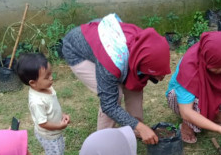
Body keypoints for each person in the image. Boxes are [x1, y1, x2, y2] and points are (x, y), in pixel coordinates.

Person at [61, 13, 171, 145]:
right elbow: (109, 105)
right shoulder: (111, 62)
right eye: (159, 73)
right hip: (77, 51)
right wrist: (140, 126)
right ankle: (102, 142)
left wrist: (137, 126)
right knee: (115, 95)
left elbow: (136, 82)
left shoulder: (142, 45)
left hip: (104, 43)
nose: (162, 77)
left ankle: (135, 129)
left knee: (135, 82)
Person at [166, 31, 221, 144]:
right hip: (186, 102)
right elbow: (186, 111)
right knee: (178, 95)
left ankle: (217, 115)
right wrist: (219, 129)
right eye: (215, 68)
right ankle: (187, 125)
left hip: (214, 91)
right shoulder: (189, 66)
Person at [16, 53, 70, 155]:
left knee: (60, 146)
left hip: (56, 131)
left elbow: (53, 107)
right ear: (33, 83)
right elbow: (43, 123)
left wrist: (61, 116)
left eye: (51, 73)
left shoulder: (48, 87)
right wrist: (60, 126)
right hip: (48, 134)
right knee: (52, 153)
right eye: (47, 77)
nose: (51, 78)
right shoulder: (37, 101)